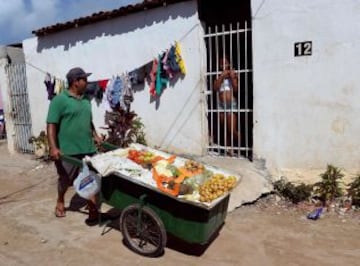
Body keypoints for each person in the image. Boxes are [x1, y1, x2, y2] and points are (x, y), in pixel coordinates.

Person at [46, 67, 103, 226]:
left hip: (88, 148)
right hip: (67, 150)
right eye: (84, 79)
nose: (87, 82)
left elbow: (88, 121)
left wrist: (95, 135)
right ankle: (60, 200)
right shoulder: (59, 100)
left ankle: (92, 209)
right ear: (75, 82)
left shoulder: (86, 100)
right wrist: (53, 147)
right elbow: (51, 124)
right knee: (65, 180)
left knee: (91, 179)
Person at [213, 57, 241, 155]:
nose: (223, 65)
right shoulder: (217, 74)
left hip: (231, 104)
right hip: (221, 105)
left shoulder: (233, 73)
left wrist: (233, 77)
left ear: (229, 63)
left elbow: (237, 89)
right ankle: (230, 150)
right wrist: (221, 76)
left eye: (225, 63)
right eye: (221, 63)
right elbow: (215, 88)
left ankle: (244, 143)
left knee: (232, 130)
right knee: (225, 129)